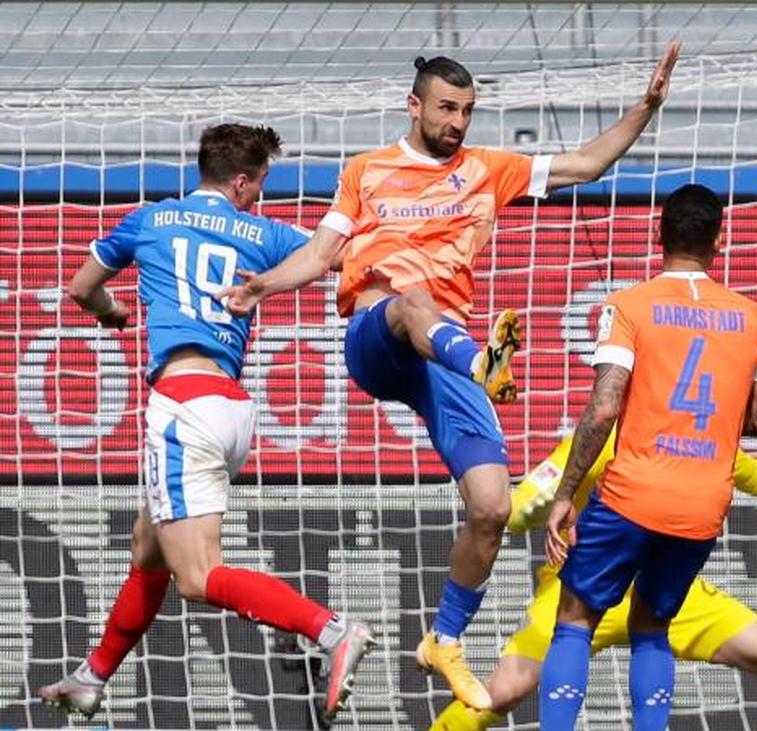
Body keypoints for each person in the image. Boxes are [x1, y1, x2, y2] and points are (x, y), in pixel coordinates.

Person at [218, 45, 682, 710]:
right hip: (380, 335)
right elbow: (321, 254)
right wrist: (262, 285)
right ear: (414, 105)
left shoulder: (487, 169)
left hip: (447, 347)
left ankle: (445, 637)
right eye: (446, 108)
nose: (457, 122)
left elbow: (586, 164)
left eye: (466, 110)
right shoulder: (366, 171)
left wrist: (648, 106)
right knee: (410, 298)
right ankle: (482, 364)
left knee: (493, 506)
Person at [37, 124, 374, 722]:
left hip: (182, 405)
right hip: (231, 408)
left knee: (196, 576)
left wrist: (113, 313)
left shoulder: (149, 220)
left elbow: (82, 287)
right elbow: (339, 256)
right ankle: (92, 676)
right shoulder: (263, 232)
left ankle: (331, 630)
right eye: (260, 184)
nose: (259, 195)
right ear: (241, 182)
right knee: (149, 548)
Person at [431, 430, 757, 730]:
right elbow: (528, 497)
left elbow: (755, 474)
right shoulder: (606, 433)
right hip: (579, 588)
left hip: (663, 589)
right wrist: (526, 508)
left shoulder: (701, 437)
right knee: (501, 691)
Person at [537, 183, 757, 730]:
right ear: (719, 239)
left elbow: (603, 409)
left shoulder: (628, 305)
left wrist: (566, 493)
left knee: (575, 617)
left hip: (632, 494)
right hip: (701, 507)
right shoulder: (754, 318)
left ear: (657, 235)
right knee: (651, 626)